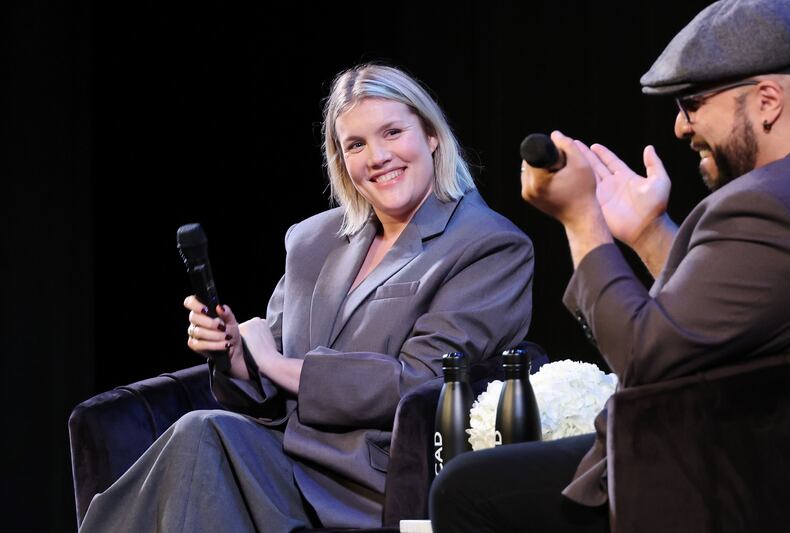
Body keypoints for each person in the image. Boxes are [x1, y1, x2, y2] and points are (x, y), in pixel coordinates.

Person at [78, 63, 533, 532]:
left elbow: (419, 383)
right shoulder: (314, 239)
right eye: (355, 144)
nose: (376, 156)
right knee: (201, 436)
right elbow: (267, 373)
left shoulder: (488, 246)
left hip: (375, 479)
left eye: (392, 132)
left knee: (201, 438)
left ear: (431, 136)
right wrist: (235, 351)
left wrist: (275, 364)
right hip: (282, 454)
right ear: (341, 160)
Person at [429, 0, 790, 531]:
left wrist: (583, 222)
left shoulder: (766, 203)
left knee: (465, 491)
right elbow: (719, 319)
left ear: (767, 101)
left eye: (692, 103)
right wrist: (649, 233)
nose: (679, 126)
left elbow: (647, 358)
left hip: (711, 474)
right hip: (738, 453)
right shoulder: (783, 196)